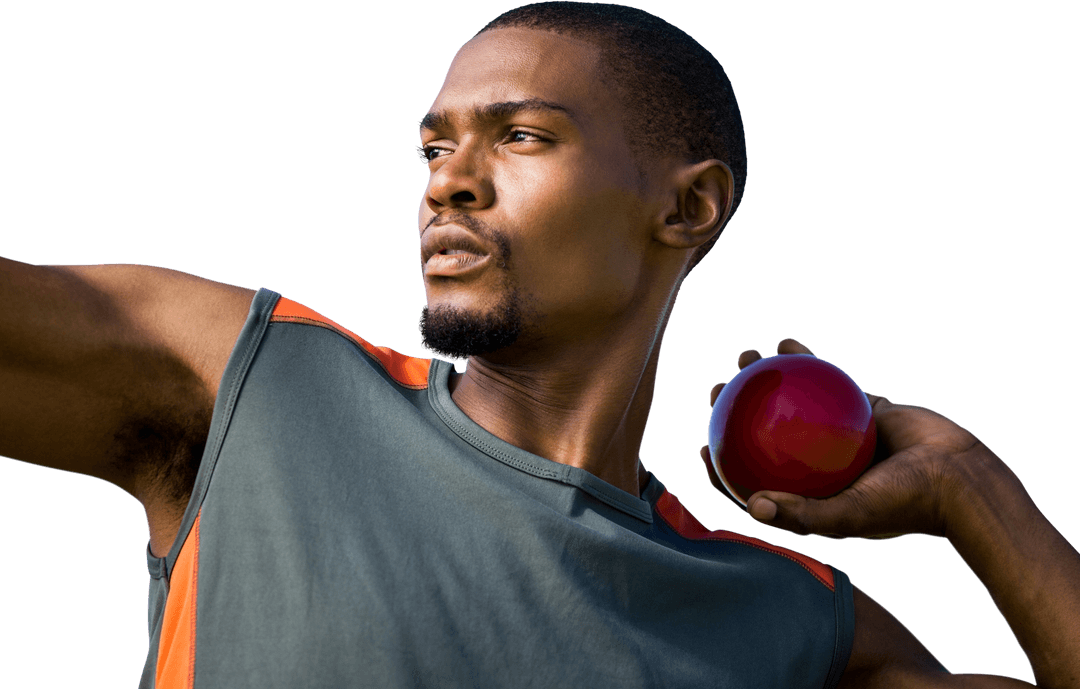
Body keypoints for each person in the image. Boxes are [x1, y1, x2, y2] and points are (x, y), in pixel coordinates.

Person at [1, 2, 1076, 687]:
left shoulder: (783, 617)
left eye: (519, 135)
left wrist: (972, 490)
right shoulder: (250, 382)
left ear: (689, 208)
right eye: (433, 148)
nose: (448, 183)